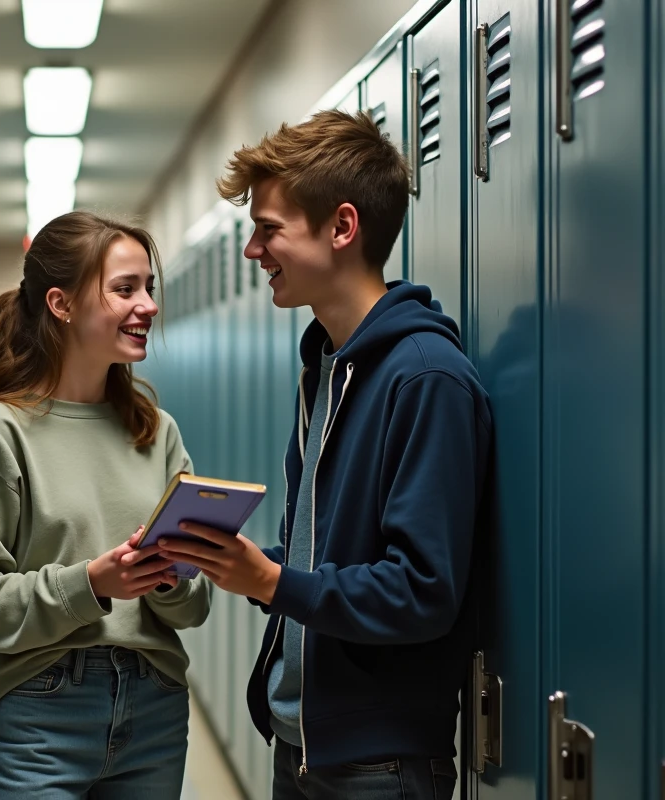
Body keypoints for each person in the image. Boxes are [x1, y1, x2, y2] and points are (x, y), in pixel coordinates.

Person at [155, 110, 492, 799]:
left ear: (342, 228)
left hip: (380, 766)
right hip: (306, 744)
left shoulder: (424, 377)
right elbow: (330, 565)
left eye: (269, 229)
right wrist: (236, 563)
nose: (253, 251)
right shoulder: (329, 368)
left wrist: (274, 583)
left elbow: (421, 590)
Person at [0, 211, 212, 799]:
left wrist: (168, 580)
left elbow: (194, 607)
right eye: (125, 289)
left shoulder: (156, 432)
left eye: (149, 288)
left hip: (155, 708)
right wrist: (91, 582)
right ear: (61, 305)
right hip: (43, 709)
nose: (149, 306)